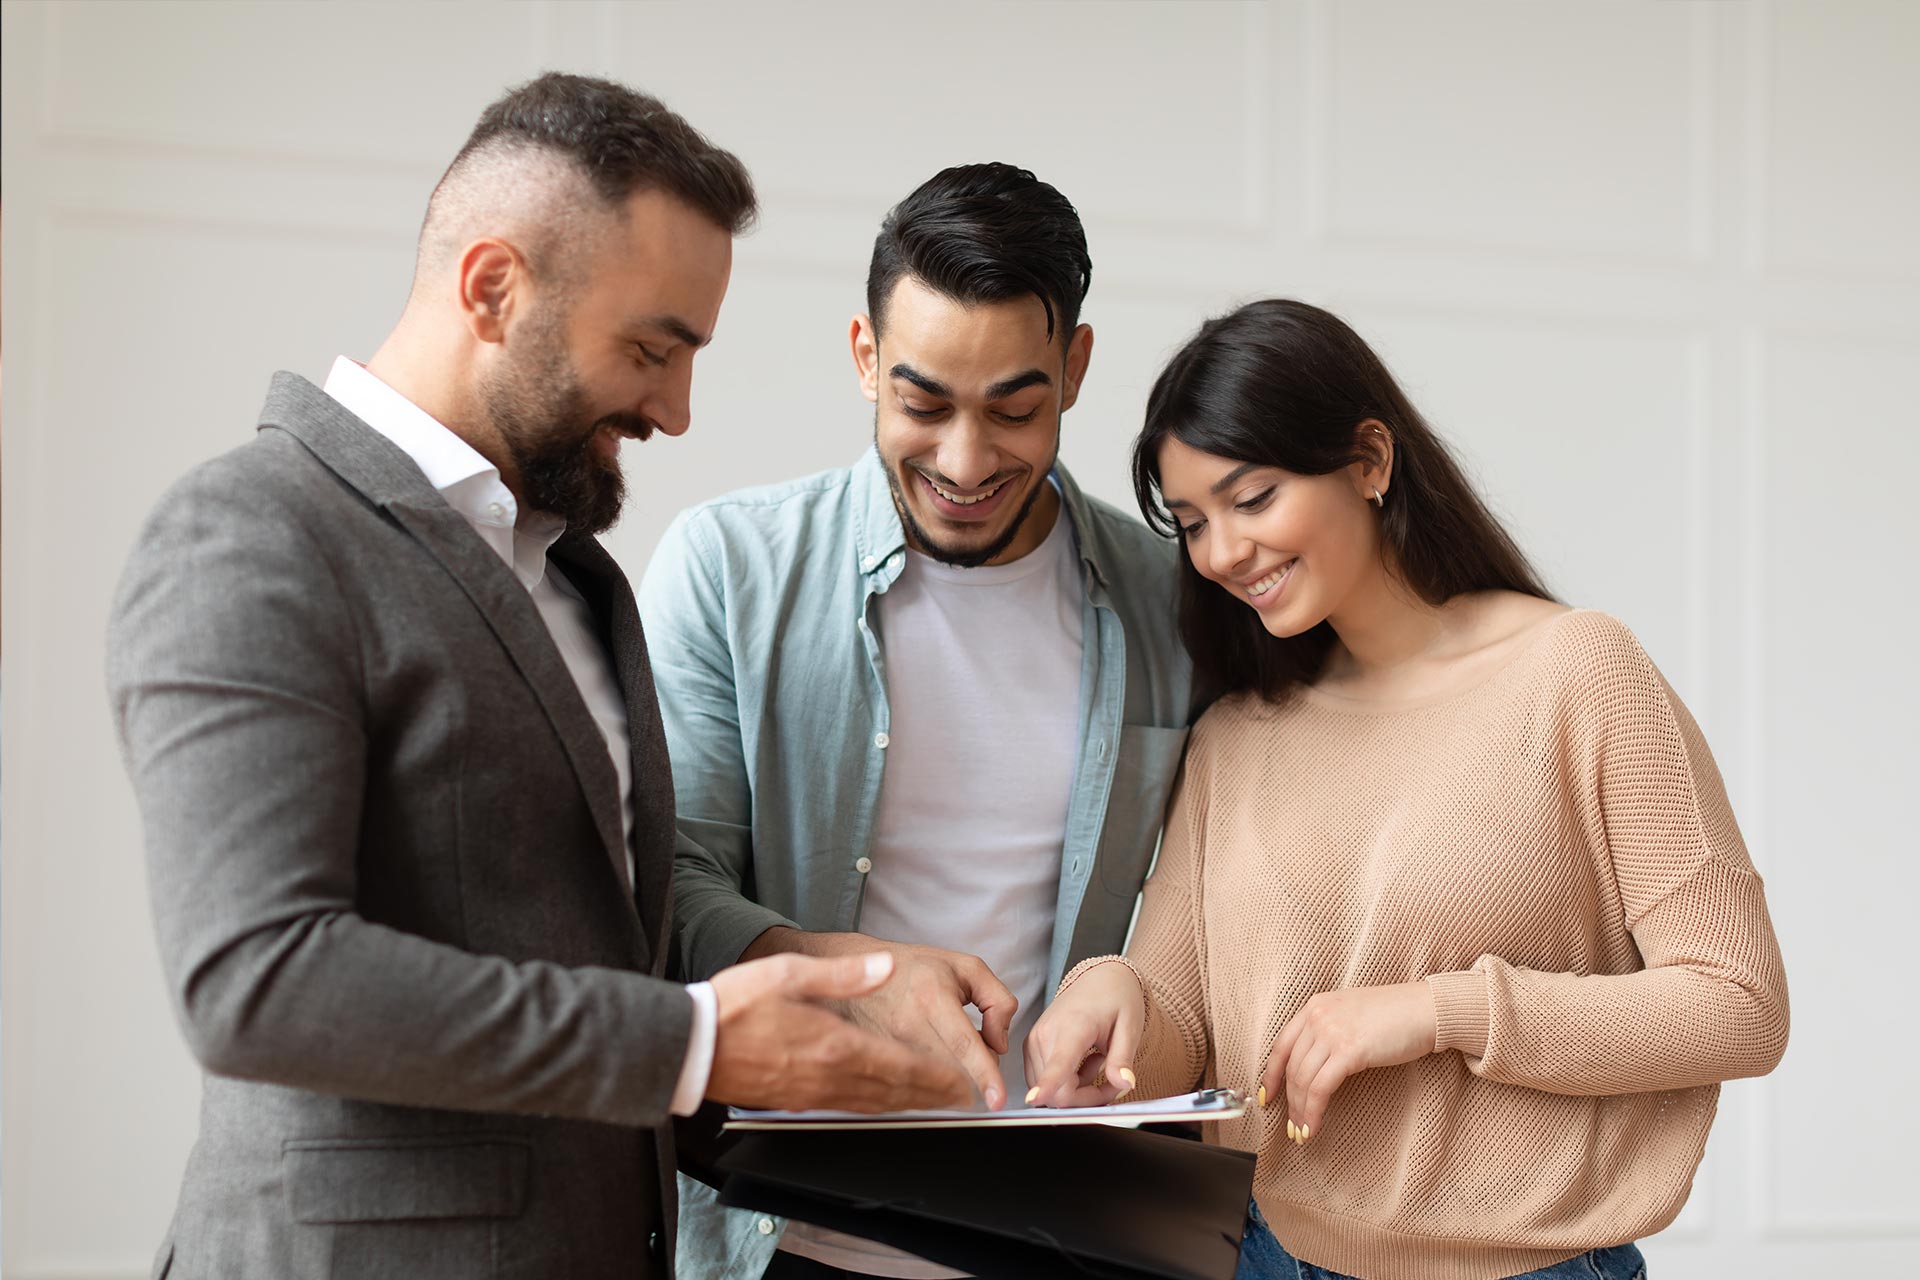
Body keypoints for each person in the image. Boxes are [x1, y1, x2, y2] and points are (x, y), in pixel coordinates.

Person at [106, 73, 970, 1280]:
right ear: (492, 287)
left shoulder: (581, 580)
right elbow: (259, 978)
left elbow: (576, 960)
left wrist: (835, 983)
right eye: (650, 349)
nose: (676, 407)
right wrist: (695, 1040)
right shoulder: (252, 530)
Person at [1025, 299, 1789, 1280]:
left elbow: (1738, 1002)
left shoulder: (1578, 673)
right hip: (1261, 1254)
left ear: (1370, 461)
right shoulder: (1234, 735)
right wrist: (1109, 998)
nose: (1220, 553)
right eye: (1192, 523)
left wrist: (1438, 1012)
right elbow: (1182, 1015)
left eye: (1251, 499)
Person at [638, 163, 1194, 1279]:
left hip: (1071, 1233)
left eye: (1015, 408)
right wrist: (844, 969)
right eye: (924, 401)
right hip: (782, 1238)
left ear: (1076, 371)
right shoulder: (728, 568)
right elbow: (665, 884)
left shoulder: (1177, 604)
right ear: (862, 357)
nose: (966, 460)